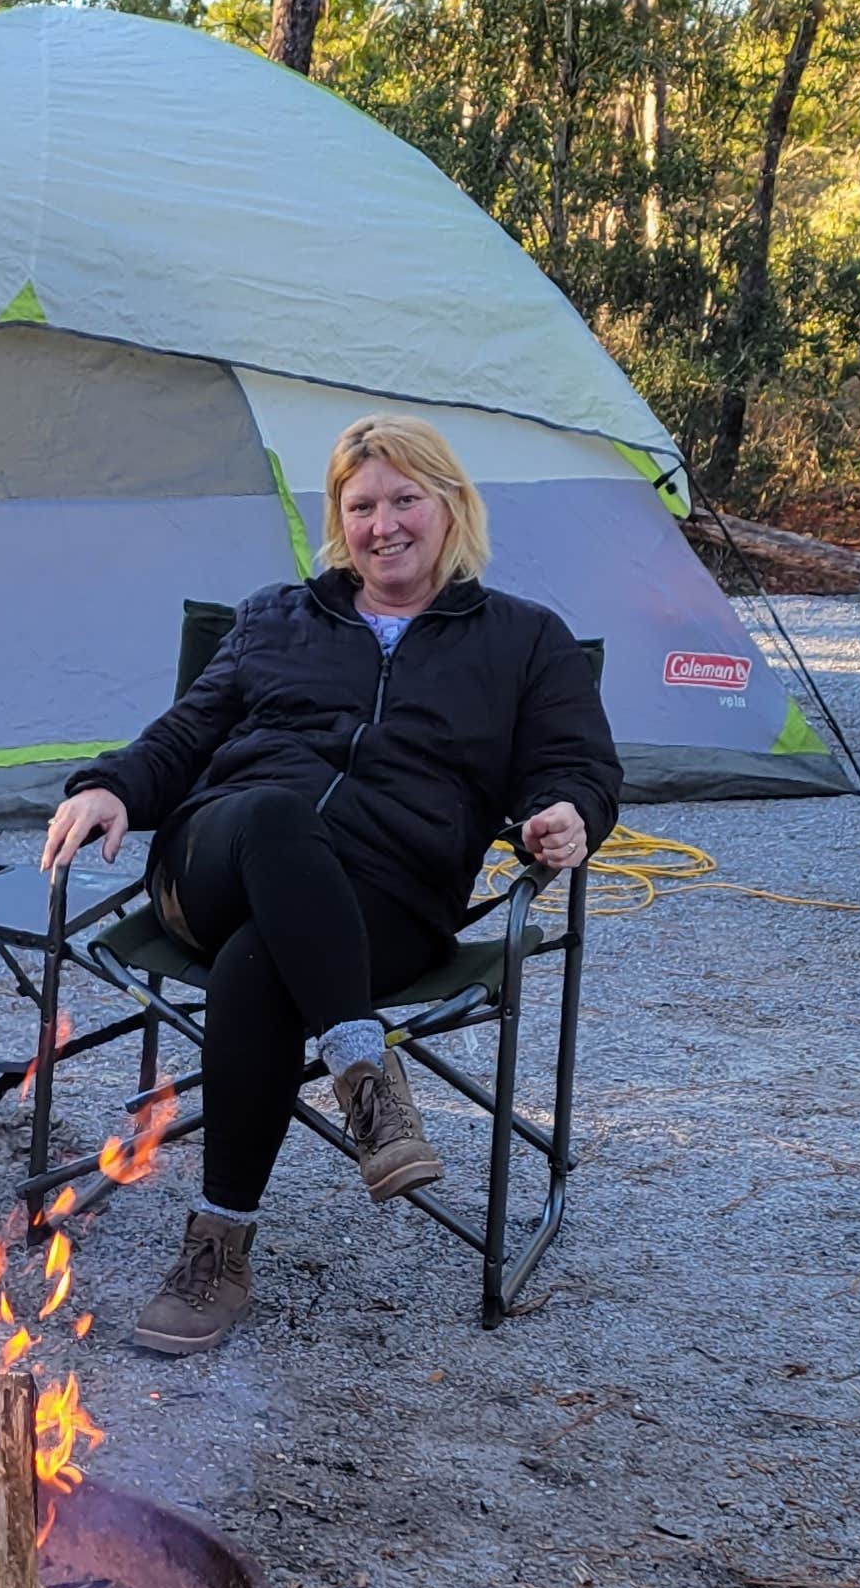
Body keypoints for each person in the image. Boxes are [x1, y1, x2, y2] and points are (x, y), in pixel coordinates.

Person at [40, 414, 621, 1354]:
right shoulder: (278, 616)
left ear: (450, 506)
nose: (384, 524)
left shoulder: (524, 640)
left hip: (386, 898)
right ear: (338, 521)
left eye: (404, 500)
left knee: (262, 965)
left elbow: (579, 766)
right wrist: (110, 785)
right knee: (274, 815)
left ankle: (218, 1247)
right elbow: (186, 734)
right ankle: (365, 1069)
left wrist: (567, 815)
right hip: (218, 857)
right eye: (361, 507)